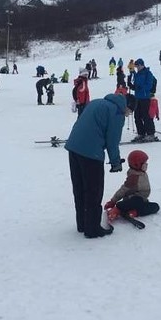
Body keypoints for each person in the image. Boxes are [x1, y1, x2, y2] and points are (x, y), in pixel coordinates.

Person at [65, 93, 137, 238]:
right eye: (130, 112)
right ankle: (92, 229)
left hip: (73, 147)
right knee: (93, 191)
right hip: (91, 153)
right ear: (127, 107)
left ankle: (82, 224)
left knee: (79, 189)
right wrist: (116, 163)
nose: (128, 114)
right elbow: (112, 141)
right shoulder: (117, 112)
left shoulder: (97, 102)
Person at [104, 149, 160, 221]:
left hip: (142, 200)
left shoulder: (141, 173)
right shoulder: (134, 177)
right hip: (132, 200)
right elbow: (123, 190)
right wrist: (113, 201)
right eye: (144, 163)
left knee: (155, 206)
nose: (146, 164)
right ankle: (116, 210)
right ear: (137, 164)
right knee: (137, 200)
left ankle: (133, 212)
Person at [128, 58, 157, 142]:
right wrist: (131, 85)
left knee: (146, 116)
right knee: (137, 116)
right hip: (137, 98)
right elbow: (136, 86)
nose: (137, 68)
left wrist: (141, 88)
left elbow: (149, 85)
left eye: (138, 66)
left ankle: (150, 133)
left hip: (145, 98)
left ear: (141, 65)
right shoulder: (137, 74)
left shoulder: (148, 73)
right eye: (136, 66)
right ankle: (141, 133)